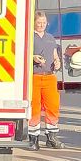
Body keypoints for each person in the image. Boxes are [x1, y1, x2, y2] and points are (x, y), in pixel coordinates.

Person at [30, 11, 64, 150]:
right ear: (34, 22)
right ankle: (34, 139)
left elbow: (55, 54)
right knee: (35, 108)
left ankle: (52, 137)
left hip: (50, 76)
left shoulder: (50, 37)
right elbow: (24, 53)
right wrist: (33, 57)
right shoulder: (30, 37)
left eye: (44, 23)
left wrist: (57, 62)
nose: (42, 25)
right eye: (39, 23)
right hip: (35, 76)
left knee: (53, 107)